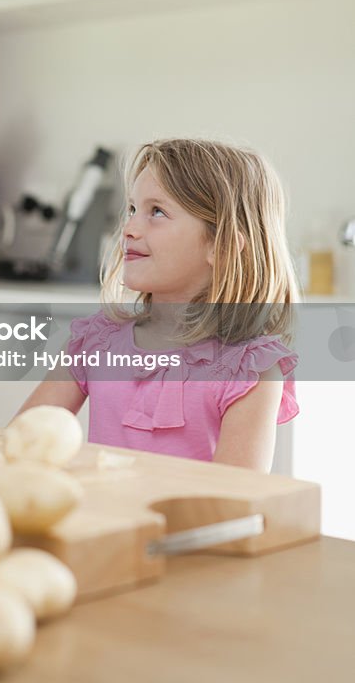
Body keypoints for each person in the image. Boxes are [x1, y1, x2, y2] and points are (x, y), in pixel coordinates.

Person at [17, 139, 300, 472]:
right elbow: (20, 447)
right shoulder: (95, 341)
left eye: (157, 212)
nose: (130, 228)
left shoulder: (250, 369)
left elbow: (234, 502)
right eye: (133, 209)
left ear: (220, 247)